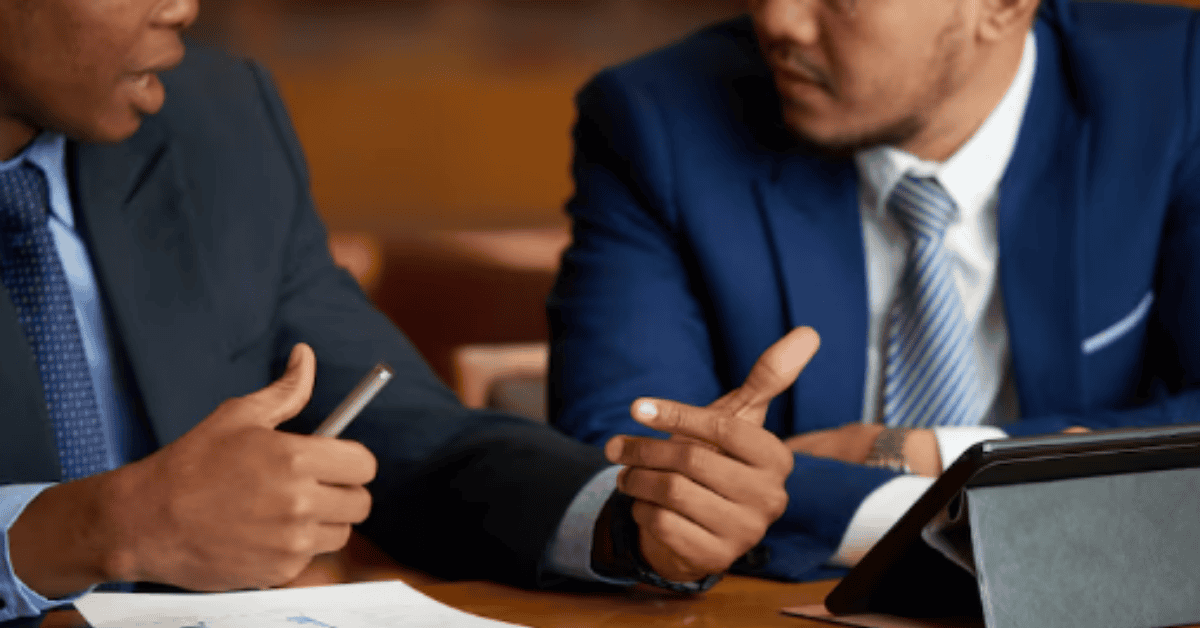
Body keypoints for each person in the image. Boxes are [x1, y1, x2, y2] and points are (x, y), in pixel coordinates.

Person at [0, 0, 803, 622]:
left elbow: (415, 440)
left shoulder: (216, 117)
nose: (183, 7)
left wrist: (632, 519)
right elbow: (119, 524)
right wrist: (91, 529)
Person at [549, 0, 1200, 582]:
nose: (779, 19)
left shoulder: (1177, 85)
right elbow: (631, 464)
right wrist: (1030, 496)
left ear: (1002, 7)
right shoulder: (657, 118)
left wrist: (922, 454)